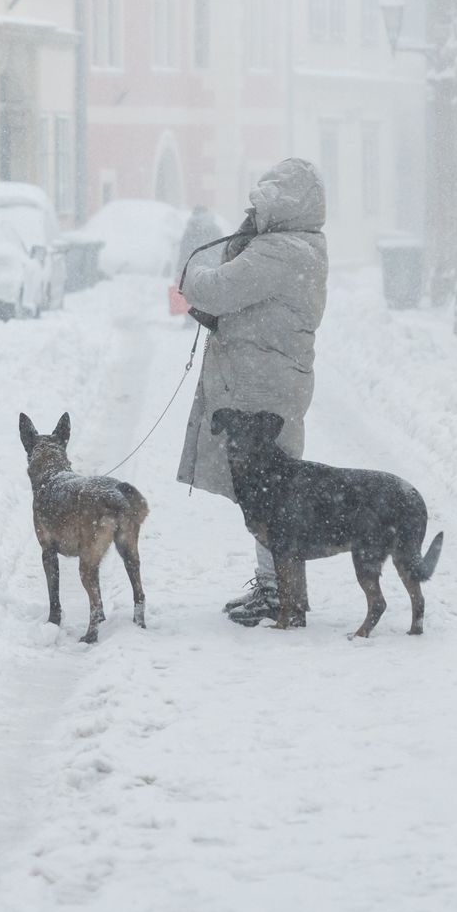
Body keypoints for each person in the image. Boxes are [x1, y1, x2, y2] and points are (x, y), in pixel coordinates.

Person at [175, 158, 328, 625]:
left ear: (285, 204)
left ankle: (278, 592)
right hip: (272, 380)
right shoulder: (304, 246)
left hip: (264, 385)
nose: (253, 211)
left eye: (263, 202)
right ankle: (276, 587)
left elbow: (218, 290)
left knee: (269, 492)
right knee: (271, 491)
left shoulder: (280, 252)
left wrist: (190, 275)